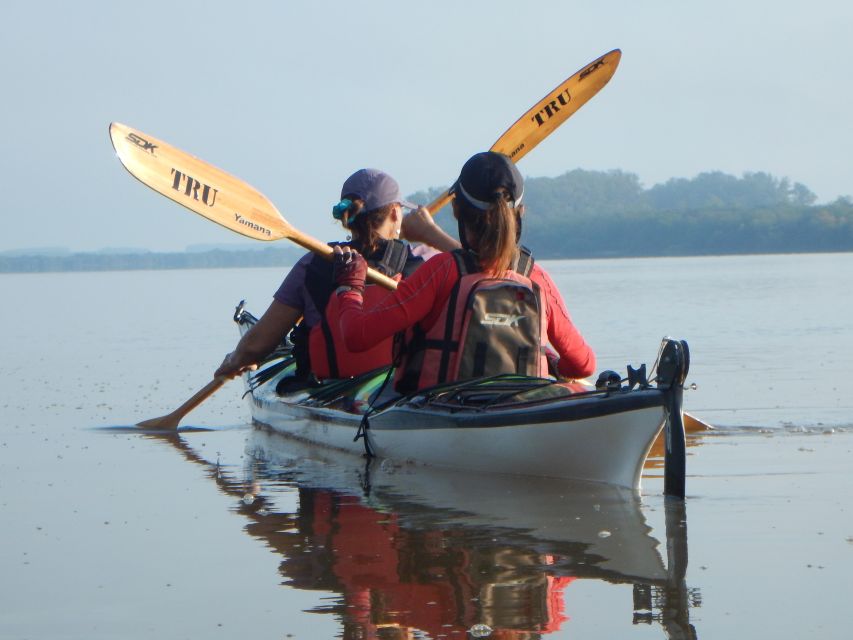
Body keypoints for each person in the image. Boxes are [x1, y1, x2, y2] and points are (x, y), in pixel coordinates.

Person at [332, 151, 596, 394]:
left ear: (457, 210)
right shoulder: (536, 277)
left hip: (442, 408)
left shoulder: (440, 271)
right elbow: (583, 365)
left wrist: (350, 284)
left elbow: (357, 337)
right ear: (520, 213)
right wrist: (553, 365)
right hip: (520, 406)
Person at [214, 168, 455, 381]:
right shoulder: (426, 260)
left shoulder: (313, 264)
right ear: (394, 213)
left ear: (347, 219)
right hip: (395, 392)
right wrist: (431, 233)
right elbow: (481, 275)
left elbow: (257, 345)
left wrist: (237, 359)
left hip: (329, 389)